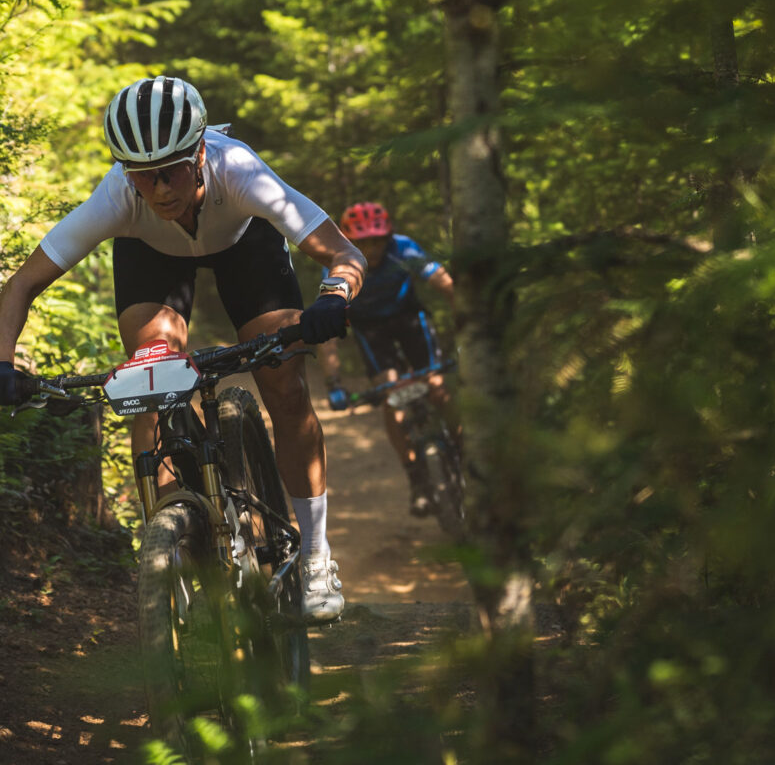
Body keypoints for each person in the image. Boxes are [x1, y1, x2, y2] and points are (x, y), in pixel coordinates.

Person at [0, 76, 366, 623]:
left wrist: (333, 298)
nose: (160, 189)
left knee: (284, 384)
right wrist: (3, 363)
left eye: (170, 170)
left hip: (247, 244)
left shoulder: (239, 171)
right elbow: (21, 285)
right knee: (151, 381)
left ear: (199, 152)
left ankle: (315, 556)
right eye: (142, 177)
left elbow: (343, 251)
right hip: (152, 254)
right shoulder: (121, 197)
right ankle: (179, 554)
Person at [319, 201, 456, 517]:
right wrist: (333, 382)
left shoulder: (404, 249)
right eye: (364, 242)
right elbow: (327, 328)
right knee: (392, 399)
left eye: (378, 240)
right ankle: (417, 478)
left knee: (436, 387)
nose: (373, 248)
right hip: (372, 331)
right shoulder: (337, 263)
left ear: (388, 237)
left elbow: (444, 283)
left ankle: (466, 455)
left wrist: (470, 323)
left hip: (410, 320)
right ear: (351, 241)